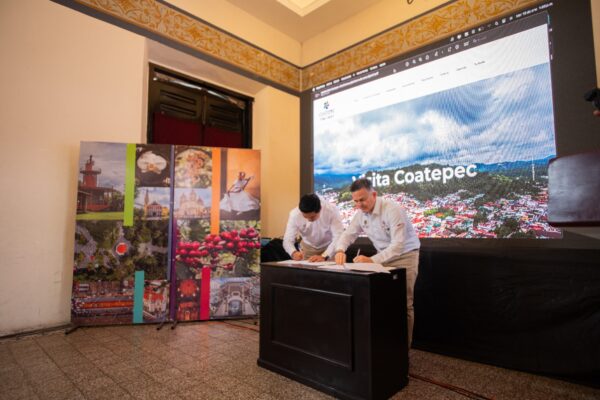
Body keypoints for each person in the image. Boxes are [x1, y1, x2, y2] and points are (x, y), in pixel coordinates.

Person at [334, 178, 420, 347]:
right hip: (382, 257)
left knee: (404, 303)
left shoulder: (392, 209)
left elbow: (397, 246)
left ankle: (404, 351)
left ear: (374, 195)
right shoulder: (360, 214)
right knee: (383, 301)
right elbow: (348, 234)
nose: (359, 205)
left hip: (405, 256)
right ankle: (386, 346)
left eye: (362, 200)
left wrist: (371, 260)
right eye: (355, 201)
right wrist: (340, 250)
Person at [283, 194, 344, 262]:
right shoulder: (295, 214)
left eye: (312, 217)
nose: (309, 220)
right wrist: (293, 252)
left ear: (320, 209)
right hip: (308, 248)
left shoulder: (331, 210)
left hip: (329, 246)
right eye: (305, 217)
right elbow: (288, 239)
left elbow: (338, 235)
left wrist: (324, 255)